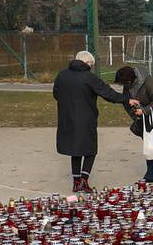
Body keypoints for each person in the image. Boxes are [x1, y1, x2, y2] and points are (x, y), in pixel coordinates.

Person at [52, 50, 130, 192]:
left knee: (74, 150)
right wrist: (127, 99)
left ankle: (76, 182)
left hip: (67, 118)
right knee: (90, 149)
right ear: (87, 63)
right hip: (85, 118)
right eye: (91, 64)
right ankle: (83, 180)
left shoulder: (62, 75)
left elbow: (56, 94)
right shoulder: (89, 78)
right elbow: (108, 94)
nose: (91, 67)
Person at [114, 64, 153, 185]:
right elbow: (127, 103)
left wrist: (144, 110)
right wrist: (135, 114)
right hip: (145, 119)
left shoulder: (148, 82)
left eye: (124, 83)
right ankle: (150, 175)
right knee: (148, 146)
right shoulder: (127, 85)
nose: (123, 86)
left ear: (131, 79)